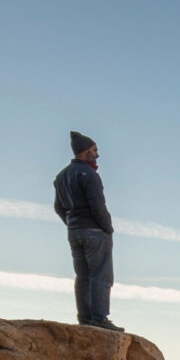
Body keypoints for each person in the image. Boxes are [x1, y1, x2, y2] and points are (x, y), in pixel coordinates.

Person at [53, 132, 119, 331]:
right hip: (94, 231)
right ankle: (99, 319)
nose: (97, 155)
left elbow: (58, 207)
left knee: (82, 275)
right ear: (84, 151)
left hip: (75, 231)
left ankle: (85, 319)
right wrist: (107, 227)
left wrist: (71, 224)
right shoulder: (90, 175)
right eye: (94, 150)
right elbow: (97, 205)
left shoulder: (61, 176)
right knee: (100, 274)